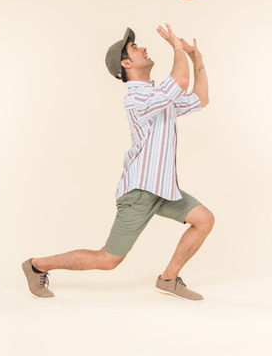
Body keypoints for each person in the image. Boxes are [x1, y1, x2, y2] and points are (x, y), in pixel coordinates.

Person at [22, 23, 215, 301]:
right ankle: (36, 265)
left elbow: (201, 98)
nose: (144, 48)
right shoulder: (137, 98)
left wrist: (197, 59)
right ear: (126, 63)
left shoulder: (160, 97)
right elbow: (181, 82)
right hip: (139, 193)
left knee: (204, 220)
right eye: (136, 48)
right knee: (108, 259)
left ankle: (168, 279)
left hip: (162, 189)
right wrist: (176, 47)